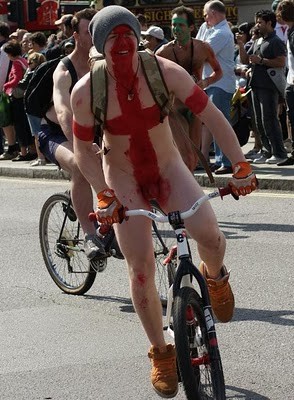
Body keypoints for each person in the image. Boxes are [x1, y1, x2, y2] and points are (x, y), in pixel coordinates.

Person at [71, 6, 258, 398]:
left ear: (138, 38)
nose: (122, 43)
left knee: (210, 234)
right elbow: (84, 150)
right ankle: (160, 350)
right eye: (113, 38)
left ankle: (216, 275)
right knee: (140, 270)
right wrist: (104, 195)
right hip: (122, 179)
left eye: (128, 35)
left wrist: (240, 165)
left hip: (169, 168)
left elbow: (211, 116)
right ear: (102, 45)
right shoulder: (87, 92)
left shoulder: (164, 71)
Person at [38, 8, 105, 259]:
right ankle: (90, 237)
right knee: (81, 163)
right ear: (76, 35)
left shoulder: (103, 63)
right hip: (57, 133)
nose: (95, 36)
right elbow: (64, 113)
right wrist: (83, 146)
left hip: (92, 131)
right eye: (89, 31)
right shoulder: (64, 71)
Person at [156, 5, 223, 172]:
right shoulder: (164, 52)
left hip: (195, 107)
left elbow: (219, 72)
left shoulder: (203, 48)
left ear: (191, 27)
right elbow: (152, 79)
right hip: (176, 109)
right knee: (183, 154)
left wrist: (205, 83)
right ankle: (183, 191)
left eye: (181, 25)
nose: (176, 29)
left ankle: (189, 192)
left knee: (193, 156)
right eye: (174, 25)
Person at [238, 9, 288, 164]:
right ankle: (266, 151)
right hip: (255, 85)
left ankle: (279, 153)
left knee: (269, 120)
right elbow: (246, 60)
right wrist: (240, 45)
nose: (258, 25)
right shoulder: (258, 40)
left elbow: (281, 62)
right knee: (259, 122)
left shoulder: (276, 41)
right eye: (257, 22)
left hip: (268, 86)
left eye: (260, 22)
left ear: (269, 23)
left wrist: (262, 61)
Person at [196, 0, 236, 174]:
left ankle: (227, 162)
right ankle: (221, 160)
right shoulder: (212, 29)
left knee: (220, 124)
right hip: (213, 83)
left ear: (213, 13)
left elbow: (200, 53)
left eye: (205, 15)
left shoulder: (221, 33)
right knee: (214, 124)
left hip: (220, 84)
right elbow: (196, 45)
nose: (204, 19)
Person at [275, 0, 294, 165]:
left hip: (293, 81)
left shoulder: (293, 33)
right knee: (291, 117)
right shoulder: (291, 31)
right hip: (291, 80)